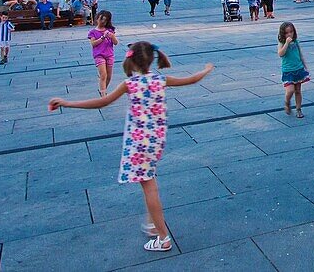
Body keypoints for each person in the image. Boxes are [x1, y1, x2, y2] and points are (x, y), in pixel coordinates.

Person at [50, 45, 213, 252]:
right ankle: (154, 224)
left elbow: (102, 102)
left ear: (132, 62)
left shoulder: (130, 84)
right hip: (156, 140)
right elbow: (192, 79)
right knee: (149, 181)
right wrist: (206, 70)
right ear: (151, 61)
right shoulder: (160, 80)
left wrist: (68, 103)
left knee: (149, 187)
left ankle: (163, 238)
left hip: (139, 143)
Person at [277, 22, 310, 118]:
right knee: (290, 90)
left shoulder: (296, 42)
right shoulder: (282, 43)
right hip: (288, 71)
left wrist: (304, 65)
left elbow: (300, 54)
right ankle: (287, 102)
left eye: (291, 32)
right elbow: (280, 54)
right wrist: (286, 43)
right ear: (283, 34)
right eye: (287, 33)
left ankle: (298, 109)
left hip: (298, 69)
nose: (289, 34)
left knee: (298, 91)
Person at [88, 11, 118, 97]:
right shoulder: (92, 32)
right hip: (99, 55)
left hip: (109, 55)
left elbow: (115, 43)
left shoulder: (110, 30)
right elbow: (93, 43)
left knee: (109, 76)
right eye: (100, 19)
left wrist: (112, 37)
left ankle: (103, 90)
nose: (102, 22)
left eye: (104, 20)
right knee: (103, 74)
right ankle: (103, 94)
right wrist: (102, 37)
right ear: (97, 18)